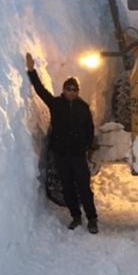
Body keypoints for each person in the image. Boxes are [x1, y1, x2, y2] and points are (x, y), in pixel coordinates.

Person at [25, 52, 99, 233]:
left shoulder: (83, 108)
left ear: (78, 91)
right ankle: (75, 216)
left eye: (75, 90)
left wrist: (87, 146)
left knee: (84, 188)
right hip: (61, 154)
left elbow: (90, 129)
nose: (72, 92)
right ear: (64, 90)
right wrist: (31, 70)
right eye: (69, 89)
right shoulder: (56, 104)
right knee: (67, 188)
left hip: (78, 155)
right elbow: (40, 90)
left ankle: (92, 218)